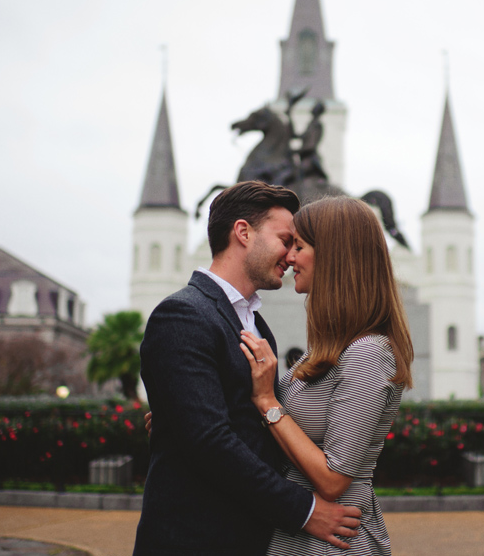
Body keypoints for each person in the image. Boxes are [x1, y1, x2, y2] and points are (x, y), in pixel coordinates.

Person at [132, 181, 362, 556]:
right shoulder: (183, 315)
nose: (291, 255)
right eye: (285, 239)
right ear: (243, 232)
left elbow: (240, 421)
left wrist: (177, 422)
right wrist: (305, 511)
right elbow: (210, 443)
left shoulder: (257, 326)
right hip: (194, 541)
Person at [239, 196, 414, 555]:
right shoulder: (328, 349)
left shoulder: (368, 353)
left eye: (299, 246)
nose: (289, 258)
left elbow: (333, 478)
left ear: (334, 256)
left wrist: (269, 402)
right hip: (301, 534)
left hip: (335, 541)